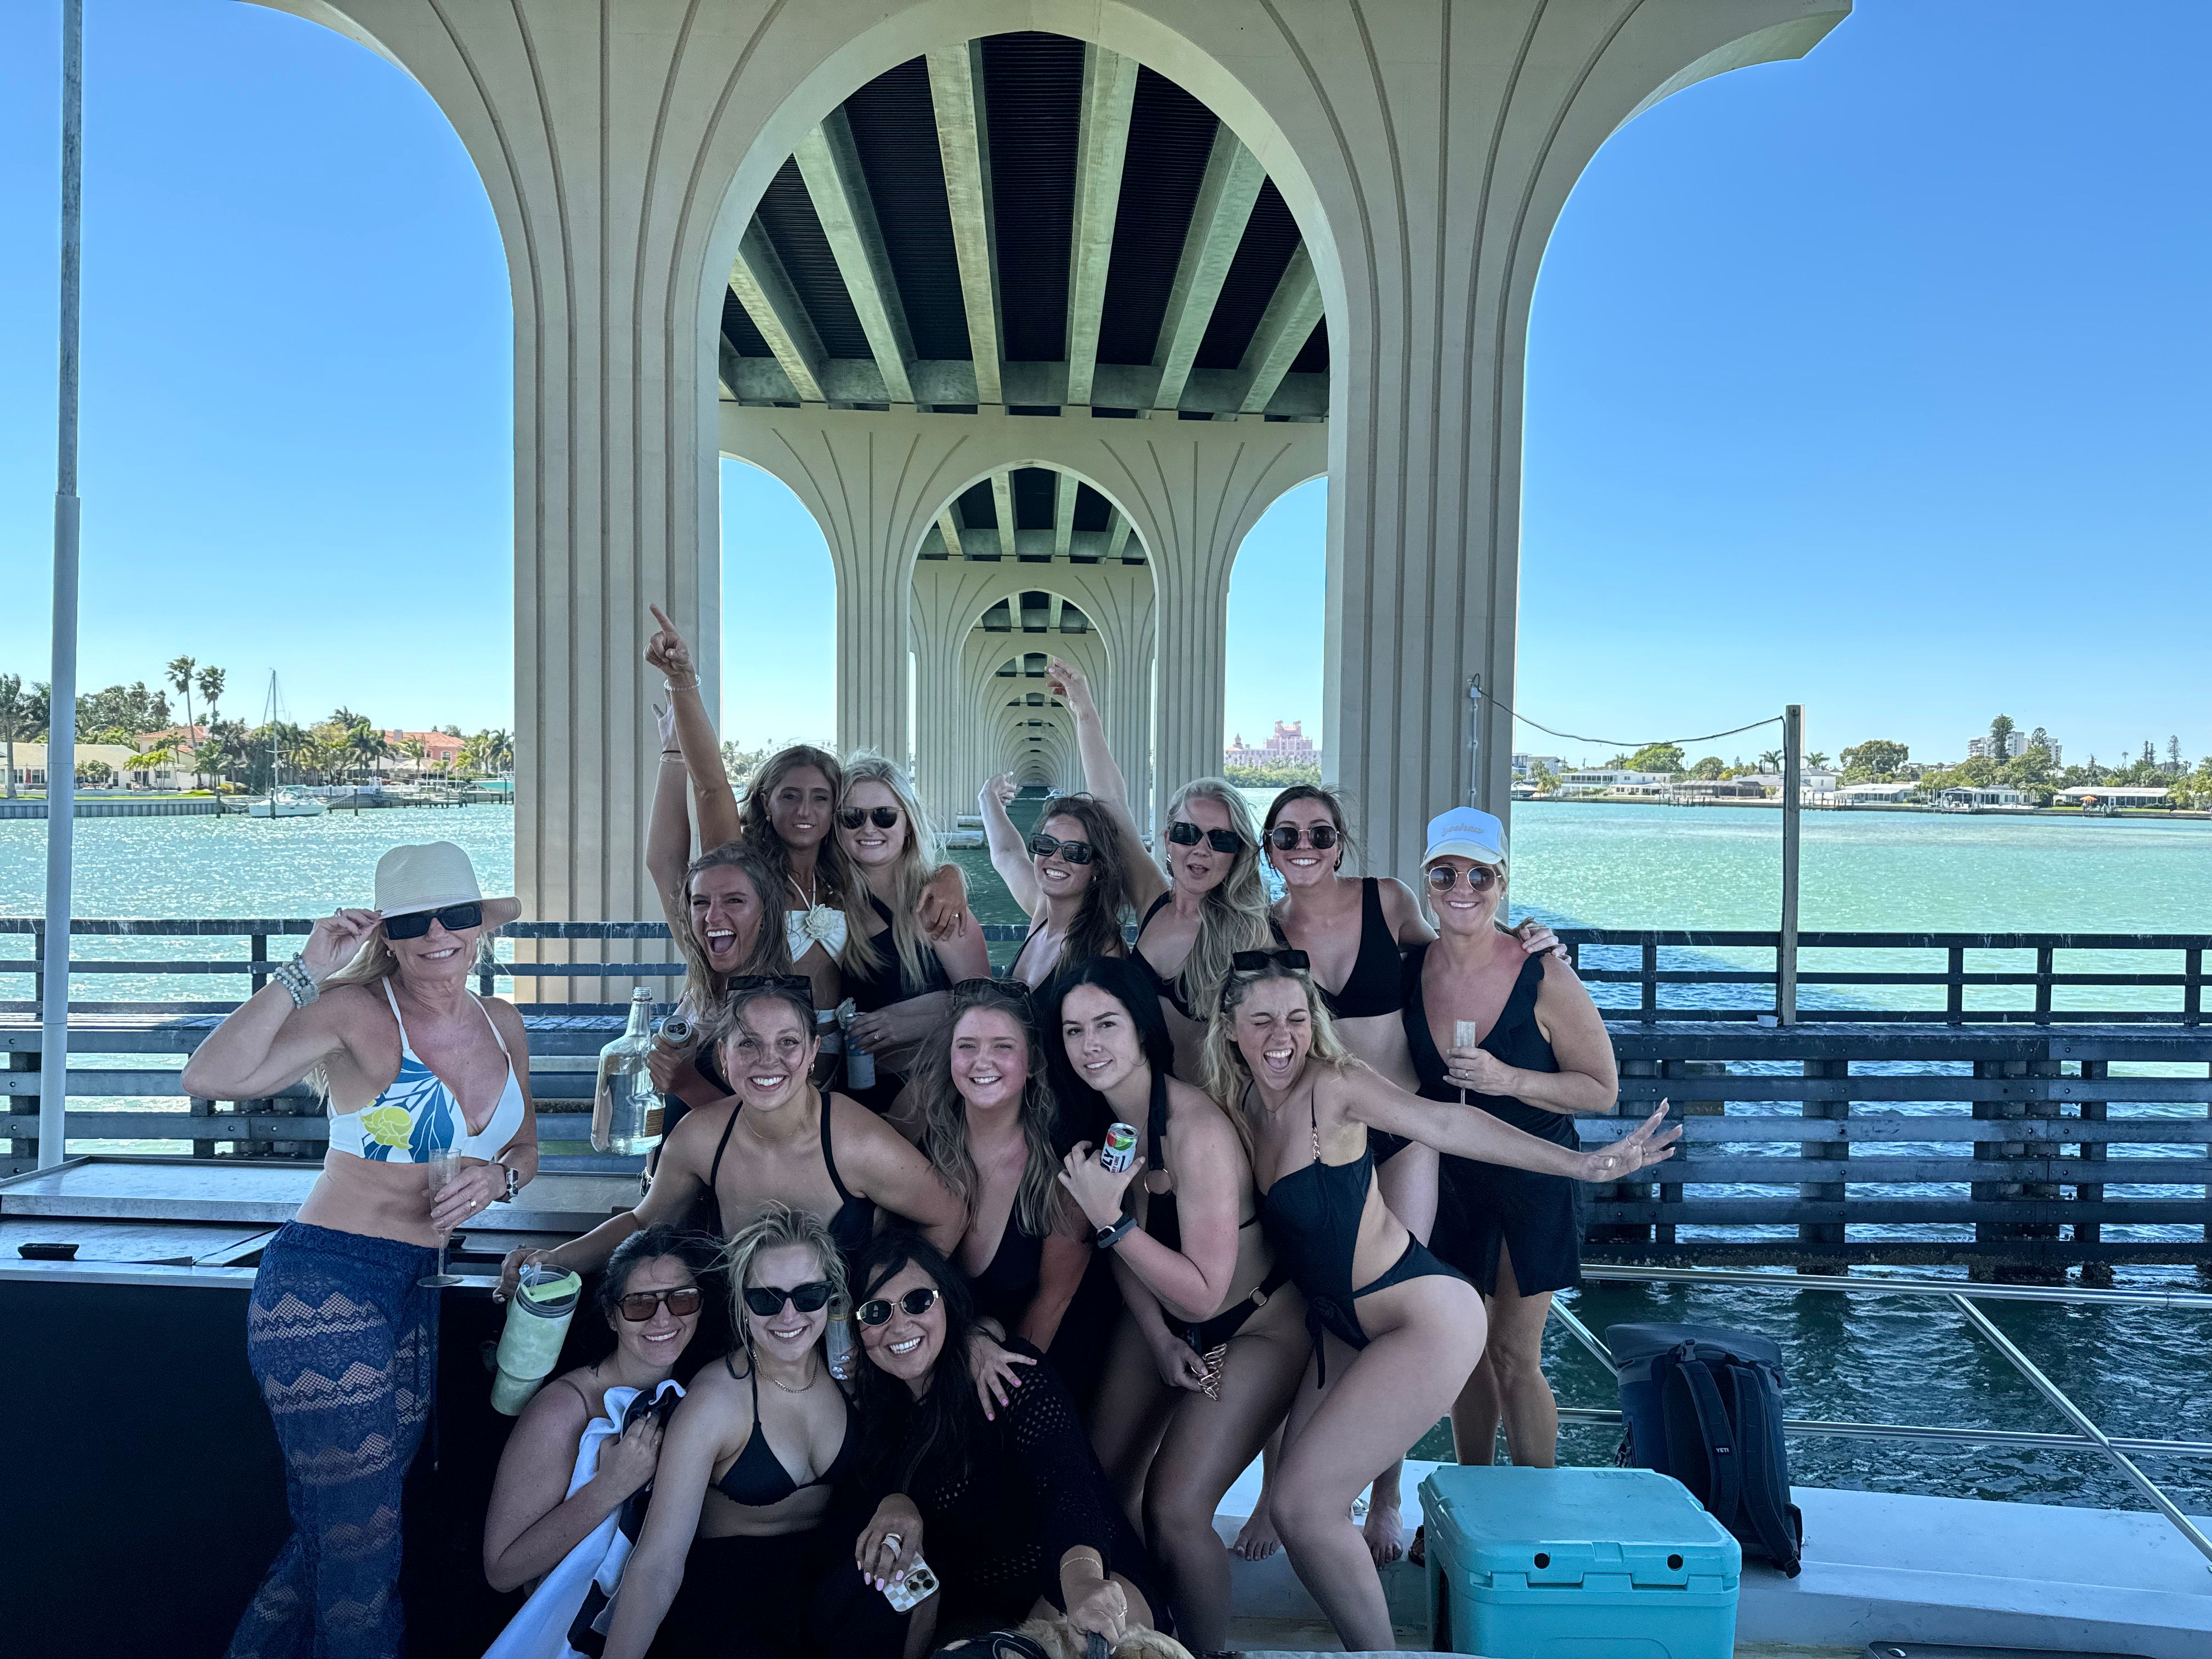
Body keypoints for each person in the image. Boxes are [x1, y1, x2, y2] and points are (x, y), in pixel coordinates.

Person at [1207, 949, 1676, 1650]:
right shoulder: (1242, 1107)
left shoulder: (1335, 1085)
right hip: (1339, 1328)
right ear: (1230, 1028)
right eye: (1263, 1020)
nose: (1283, 1037)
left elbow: (1451, 1126)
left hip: (1419, 1316)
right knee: (1296, 1509)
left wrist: (1582, 1164)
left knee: (1305, 1506)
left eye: (1298, 1019)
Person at [179, 842, 537, 1659]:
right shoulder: (356, 1014)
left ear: (480, 927)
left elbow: (527, 1152)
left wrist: (496, 1180)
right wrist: (306, 969)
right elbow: (210, 1076)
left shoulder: (504, 1022)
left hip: (414, 1289)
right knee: (365, 1551)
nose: (437, 935)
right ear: (390, 933)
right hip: (325, 1286)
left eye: (455, 916)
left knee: (331, 1544)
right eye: (413, 921)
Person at [1255, 783, 1555, 1563]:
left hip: (1405, 1133)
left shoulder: (1387, 900)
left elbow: (1455, 948)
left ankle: (1385, 1493)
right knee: (1308, 1308)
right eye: (1286, 834)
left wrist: (1531, 943)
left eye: (1319, 831)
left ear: (1342, 839)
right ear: (1269, 848)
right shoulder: (1264, 925)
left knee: (1393, 1311)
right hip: (1328, 1139)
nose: (1304, 845)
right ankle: (1273, 1489)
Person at [1052, 958, 1306, 1653]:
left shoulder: (1196, 1129)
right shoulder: (1108, 1123)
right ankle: (1142, 1634)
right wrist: (1157, 1338)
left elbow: (1204, 1286)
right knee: (1099, 1493)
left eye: (1106, 1024)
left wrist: (1113, 1222)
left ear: (1141, 1027)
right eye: (1074, 1030)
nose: (1090, 1045)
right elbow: (1125, 1260)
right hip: (1168, 1319)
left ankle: (1207, 1649)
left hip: (1255, 1324)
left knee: (1176, 1507)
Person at [500, 979, 963, 1295]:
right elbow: (645, 1222)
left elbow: (948, 1215)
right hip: (740, 1332)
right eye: (748, 1044)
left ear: (812, 1054)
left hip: (841, 1339)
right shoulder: (701, 1137)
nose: (769, 1060)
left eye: (788, 1043)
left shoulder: (854, 1142)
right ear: (723, 1058)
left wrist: (888, 1302)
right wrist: (555, 1261)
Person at [1402, 807, 1620, 1469]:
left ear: (1502, 881)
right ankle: (1475, 1497)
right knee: (1462, 1352)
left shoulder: (1544, 973)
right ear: (1426, 882)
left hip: (1532, 1174)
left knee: (1514, 1356)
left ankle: (1536, 1507)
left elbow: (1600, 1088)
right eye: (1445, 873)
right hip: (1448, 1178)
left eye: (1480, 874)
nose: (1462, 887)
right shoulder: (1410, 966)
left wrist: (1509, 1078)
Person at [603, 1204, 906, 1659]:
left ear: (832, 1297)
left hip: (826, 1584)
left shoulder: (853, 1374)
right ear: (741, 1302)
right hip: (734, 1603)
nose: (789, 1316)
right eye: (767, 1298)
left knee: (918, 1586)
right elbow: (658, 1564)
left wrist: (984, 1334)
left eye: (808, 1296)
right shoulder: (715, 1401)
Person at [846, 1232, 1172, 1651]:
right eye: (876, 1311)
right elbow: (863, 1492)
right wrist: (897, 1501)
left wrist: (1081, 1580)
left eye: (917, 1301)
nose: (899, 1325)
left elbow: (1066, 1486)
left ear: (946, 1301)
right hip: (983, 1609)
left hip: (1090, 1576)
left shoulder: (1008, 1376)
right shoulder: (877, 1406)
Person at [643, 605, 967, 1018]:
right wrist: (683, 682)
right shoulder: (749, 873)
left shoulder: (845, 877)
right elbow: (711, 787)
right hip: (763, 1049)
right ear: (765, 801)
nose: (805, 811)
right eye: (790, 796)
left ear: (836, 807)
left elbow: (904, 869)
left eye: (820, 798)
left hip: (838, 1060)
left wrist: (950, 875)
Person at [1046, 655, 1271, 1081]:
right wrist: (1084, 709)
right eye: (1187, 834)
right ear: (1168, 840)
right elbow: (1111, 802)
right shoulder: (1153, 900)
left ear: (1238, 852)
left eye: (1219, 839)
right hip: (1141, 1106)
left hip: (1212, 1113)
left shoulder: (1251, 932)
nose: (1200, 850)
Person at [482, 1226, 716, 1594]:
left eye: (682, 1299)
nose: (663, 1319)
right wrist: (608, 1489)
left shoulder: (700, 1392)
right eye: (640, 1304)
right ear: (612, 1315)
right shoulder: (562, 1409)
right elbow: (502, 1571)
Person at [911, 980, 1091, 1361]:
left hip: (1023, 1359)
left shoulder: (1062, 1172)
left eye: (1003, 1047)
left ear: (1032, 1064)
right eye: (967, 1047)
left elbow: (1054, 1300)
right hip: (926, 1356)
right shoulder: (921, 1144)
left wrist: (1006, 1373)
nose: (982, 1061)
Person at [836, 752, 990, 1113]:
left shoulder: (937, 906)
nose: (869, 828)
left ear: (908, 824)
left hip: (931, 1099)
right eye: (852, 817)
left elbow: (988, 1008)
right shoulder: (822, 904)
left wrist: (906, 1023)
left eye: (885, 816)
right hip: (848, 1101)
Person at [980, 690, 1137, 990]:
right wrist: (987, 797)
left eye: (1075, 852)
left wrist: (1086, 712)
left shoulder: (1100, 951)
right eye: (1046, 845)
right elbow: (1007, 853)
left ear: (1097, 868)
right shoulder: (1043, 910)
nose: (1056, 858)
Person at [646, 838, 789, 1128]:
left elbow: (772, 1129)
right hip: (668, 1171)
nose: (712, 916)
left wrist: (686, 1084)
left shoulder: (777, 1005)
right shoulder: (699, 992)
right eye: (700, 903)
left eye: (734, 900)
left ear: (765, 913)